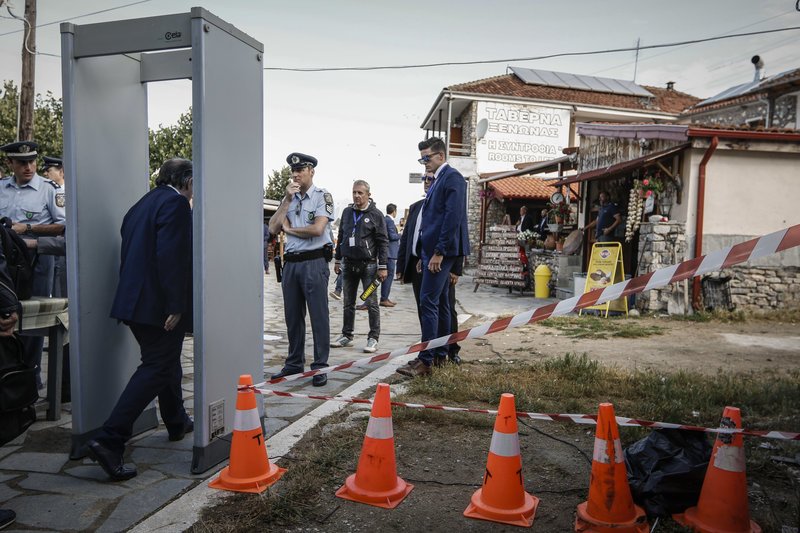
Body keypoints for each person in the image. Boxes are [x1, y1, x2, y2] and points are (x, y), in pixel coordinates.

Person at [86, 158, 195, 481]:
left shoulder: (142, 204)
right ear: (187, 181)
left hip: (134, 303)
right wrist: (176, 305)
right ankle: (109, 439)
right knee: (157, 366)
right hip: (157, 306)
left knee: (165, 361)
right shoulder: (176, 205)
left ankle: (176, 421)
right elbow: (170, 256)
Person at [397, 137, 469, 378]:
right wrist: (422, 252)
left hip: (442, 252)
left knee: (429, 303)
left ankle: (426, 360)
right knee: (435, 304)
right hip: (430, 253)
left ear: (440, 156)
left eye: (426, 158)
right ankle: (437, 355)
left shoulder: (453, 178)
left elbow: (452, 218)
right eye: (421, 159)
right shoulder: (439, 180)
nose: (424, 163)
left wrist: (439, 252)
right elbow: (428, 221)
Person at [0, 141, 65, 391]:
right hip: (5, 264)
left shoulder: (49, 189)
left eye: (32, 161)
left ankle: (30, 376)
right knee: (7, 315)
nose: (28, 167)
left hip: (37, 261)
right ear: (11, 164)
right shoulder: (3, 188)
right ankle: (9, 373)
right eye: (22, 162)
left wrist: (25, 228)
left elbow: (62, 226)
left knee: (33, 317)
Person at [268, 153, 333, 387]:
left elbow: (317, 229)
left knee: (318, 316)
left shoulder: (321, 196)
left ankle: (320, 366)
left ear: (311, 171)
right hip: (291, 265)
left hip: (314, 262)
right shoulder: (289, 198)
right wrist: (286, 199)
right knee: (293, 318)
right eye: (293, 171)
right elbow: (274, 228)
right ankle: (294, 363)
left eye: (300, 170)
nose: (295, 174)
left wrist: (292, 230)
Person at [331, 180, 388, 353]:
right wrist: (338, 259)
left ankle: (373, 338)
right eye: (354, 192)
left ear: (368, 195)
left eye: (360, 193)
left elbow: (383, 242)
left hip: (369, 268)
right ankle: (346, 335)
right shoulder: (348, 212)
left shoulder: (376, 214)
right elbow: (341, 235)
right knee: (348, 302)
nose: (357, 195)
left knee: (371, 302)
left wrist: (383, 266)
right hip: (348, 265)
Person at [41, 156, 67, 299]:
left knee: (60, 287)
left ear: (61, 171)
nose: (45, 174)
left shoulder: (64, 192)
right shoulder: (48, 191)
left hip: (60, 243)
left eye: (49, 170)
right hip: (48, 244)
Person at [380, 203, 400, 307]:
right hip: (390, 254)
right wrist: (400, 234)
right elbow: (392, 236)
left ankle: (368, 298)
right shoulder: (390, 221)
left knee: (379, 277)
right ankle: (384, 298)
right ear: (394, 211)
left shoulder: (384, 219)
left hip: (384, 253)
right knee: (388, 276)